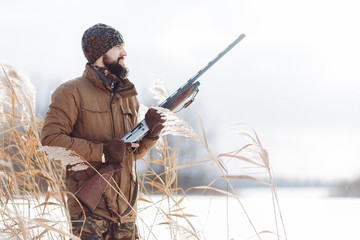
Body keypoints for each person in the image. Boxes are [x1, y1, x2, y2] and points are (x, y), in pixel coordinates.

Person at [41, 23, 165, 240]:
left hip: (126, 212)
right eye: (117, 46)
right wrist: (102, 152)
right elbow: (50, 141)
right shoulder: (71, 92)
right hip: (89, 212)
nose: (124, 52)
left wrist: (150, 134)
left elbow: (129, 154)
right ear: (99, 53)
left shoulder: (128, 95)